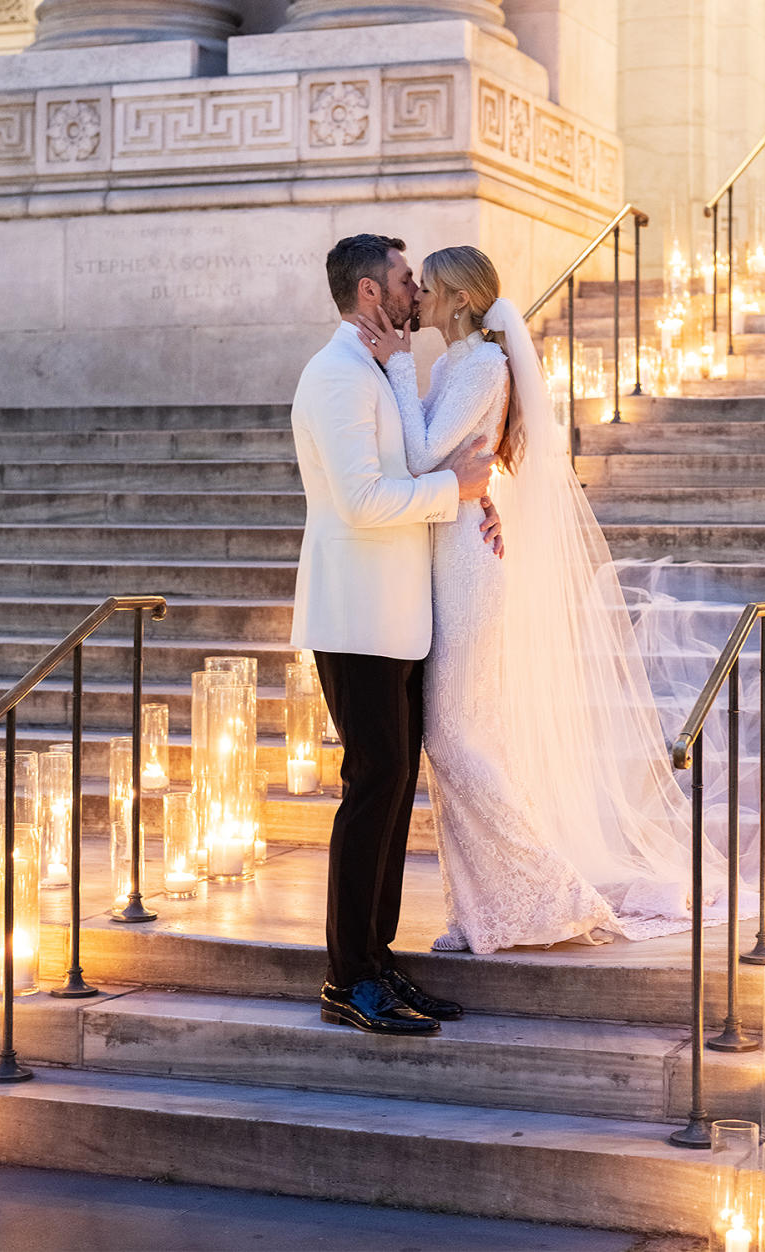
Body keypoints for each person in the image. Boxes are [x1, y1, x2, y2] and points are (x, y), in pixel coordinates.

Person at [356, 245, 730, 953]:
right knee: (464, 737)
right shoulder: (455, 365)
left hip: (468, 563)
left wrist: (398, 365)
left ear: (460, 301)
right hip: (448, 545)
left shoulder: (482, 365)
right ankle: (481, 912)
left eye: (429, 289)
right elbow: (445, 457)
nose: (420, 301)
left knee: (455, 738)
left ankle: (543, 890)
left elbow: (424, 453)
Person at [290, 234, 502, 1034]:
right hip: (355, 618)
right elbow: (364, 501)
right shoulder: (336, 376)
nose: (418, 289)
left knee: (392, 789)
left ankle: (376, 961)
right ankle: (348, 979)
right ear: (372, 293)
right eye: (406, 279)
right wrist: (458, 487)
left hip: (397, 619)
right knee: (370, 789)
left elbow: (408, 463)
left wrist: (470, 498)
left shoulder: (378, 366)